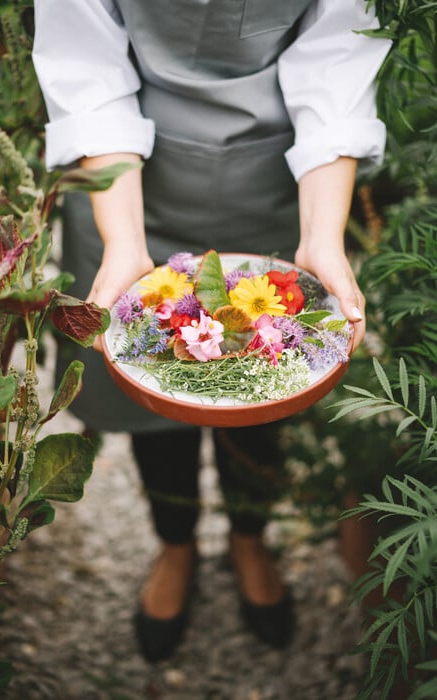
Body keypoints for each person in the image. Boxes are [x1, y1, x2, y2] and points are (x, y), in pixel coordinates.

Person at [32, 0, 390, 662]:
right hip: (125, 188)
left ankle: (248, 538)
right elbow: (86, 63)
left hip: (278, 181)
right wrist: (123, 244)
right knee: (150, 390)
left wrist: (321, 237)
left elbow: (337, 57)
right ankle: (174, 544)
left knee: (264, 385)